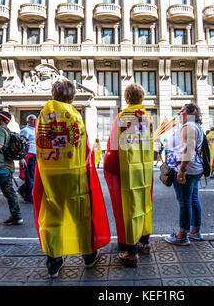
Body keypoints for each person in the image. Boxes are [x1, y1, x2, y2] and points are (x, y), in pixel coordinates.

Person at [33, 80, 110, 278]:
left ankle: (54, 262)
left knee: (53, 217)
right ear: (73, 97)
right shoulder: (75, 116)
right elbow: (84, 149)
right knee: (80, 216)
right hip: (74, 175)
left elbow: (40, 143)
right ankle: (89, 256)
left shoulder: (44, 115)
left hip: (51, 174)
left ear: (53, 94)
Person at [104, 83, 154, 267]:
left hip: (128, 171)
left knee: (131, 209)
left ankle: (131, 252)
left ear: (127, 98)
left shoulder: (123, 117)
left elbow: (114, 147)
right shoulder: (148, 118)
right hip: (145, 170)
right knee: (145, 205)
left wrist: (108, 167)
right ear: (142, 99)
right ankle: (145, 242)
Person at [164, 103, 204, 246]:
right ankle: (195, 231)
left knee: (184, 202)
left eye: (181, 111)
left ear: (188, 114)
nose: (179, 114)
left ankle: (182, 235)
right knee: (193, 199)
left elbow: (189, 148)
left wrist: (182, 170)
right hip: (194, 169)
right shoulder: (194, 126)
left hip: (187, 169)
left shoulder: (190, 127)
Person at [18, 114, 37, 204]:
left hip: (37, 155)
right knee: (30, 176)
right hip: (29, 155)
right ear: (28, 121)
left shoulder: (37, 130)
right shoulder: (25, 130)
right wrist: (21, 157)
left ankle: (22, 189)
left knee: (35, 176)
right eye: (32, 119)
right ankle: (28, 196)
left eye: (35, 119)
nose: (34, 121)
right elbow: (21, 144)